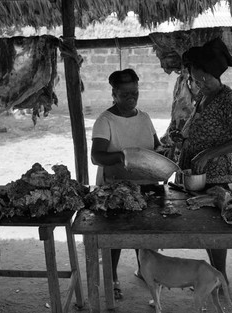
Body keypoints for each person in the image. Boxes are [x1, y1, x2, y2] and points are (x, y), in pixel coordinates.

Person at [179, 38, 232, 286]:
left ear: (216, 75)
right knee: (208, 230)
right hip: (201, 175)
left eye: (205, 80)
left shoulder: (229, 98)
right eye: (196, 80)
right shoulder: (203, 98)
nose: (200, 84)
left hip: (219, 175)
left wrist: (208, 154)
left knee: (217, 230)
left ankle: (221, 278)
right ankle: (217, 276)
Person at [90, 68, 161, 300]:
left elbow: (156, 147)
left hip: (146, 183)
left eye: (135, 93)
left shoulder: (145, 118)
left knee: (145, 230)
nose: (132, 98)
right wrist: (124, 156)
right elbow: (97, 157)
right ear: (114, 93)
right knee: (115, 235)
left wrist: (165, 152)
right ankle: (111, 278)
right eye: (125, 94)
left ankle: (143, 268)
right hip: (115, 188)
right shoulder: (105, 120)